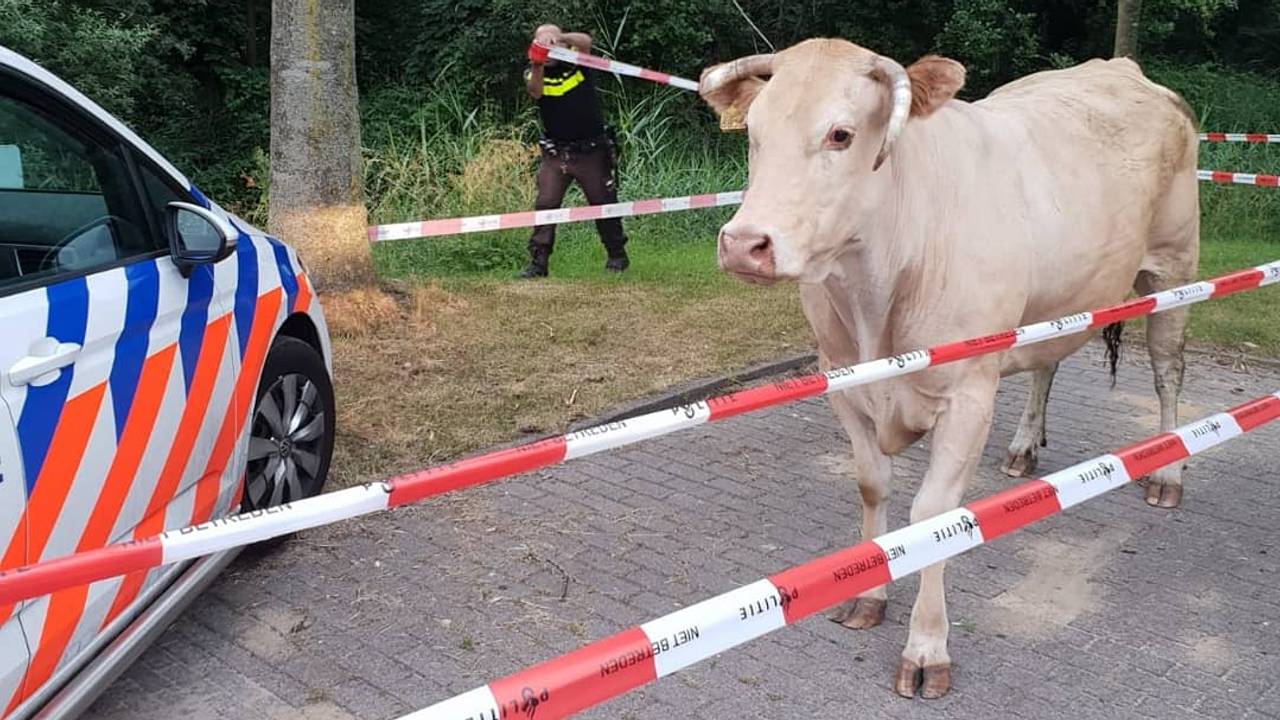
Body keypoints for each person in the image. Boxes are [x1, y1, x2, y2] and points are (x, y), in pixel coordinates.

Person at [520, 23, 629, 278]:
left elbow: (585, 41)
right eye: (541, 42)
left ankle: (617, 255)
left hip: (591, 150)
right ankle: (538, 263)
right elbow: (535, 92)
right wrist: (537, 62)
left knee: (603, 203)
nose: (547, 46)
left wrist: (559, 37)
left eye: (551, 43)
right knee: (546, 203)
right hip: (556, 152)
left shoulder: (579, 62)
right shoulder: (533, 71)